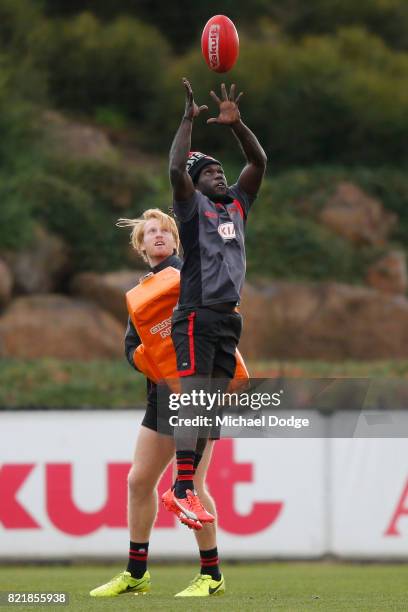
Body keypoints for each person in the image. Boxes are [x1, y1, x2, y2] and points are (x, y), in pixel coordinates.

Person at [89, 209, 224, 598]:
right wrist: (148, 362)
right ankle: (136, 572)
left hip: (198, 394)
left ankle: (211, 574)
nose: (159, 235)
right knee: (138, 481)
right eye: (151, 231)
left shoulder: (190, 276)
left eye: (166, 230)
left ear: (175, 240)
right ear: (140, 244)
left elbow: (217, 321)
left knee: (192, 485)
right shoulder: (142, 292)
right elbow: (132, 346)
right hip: (161, 397)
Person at [162, 77, 267, 567]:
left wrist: (238, 125)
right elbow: (174, 169)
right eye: (211, 173)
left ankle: (182, 486)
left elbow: (258, 163)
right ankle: (181, 488)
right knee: (195, 396)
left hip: (229, 321)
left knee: (208, 411)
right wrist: (187, 120)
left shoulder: (236, 207)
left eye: (222, 171)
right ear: (196, 181)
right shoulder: (192, 207)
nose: (220, 177)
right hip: (196, 315)